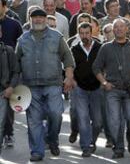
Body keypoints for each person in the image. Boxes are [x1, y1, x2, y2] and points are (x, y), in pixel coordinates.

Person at [15, 8, 75, 162]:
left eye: (41, 17)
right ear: (30, 20)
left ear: (46, 19)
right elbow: (16, 65)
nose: (38, 20)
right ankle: (37, 151)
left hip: (53, 84)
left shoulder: (56, 36)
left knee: (55, 113)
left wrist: (68, 77)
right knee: (34, 120)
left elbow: (67, 57)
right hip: (30, 86)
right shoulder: (23, 39)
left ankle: (52, 139)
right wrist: (15, 86)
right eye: (35, 18)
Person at [93, 18, 130, 159]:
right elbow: (96, 68)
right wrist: (104, 83)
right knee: (114, 121)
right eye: (116, 27)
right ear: (113, 30)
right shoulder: (106, 48)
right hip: (113, 90)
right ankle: (118, 148)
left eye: (122, 27)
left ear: (127, 29)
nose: (119, 29)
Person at [70, 22, 102, 157]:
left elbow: (106, 65)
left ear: (92, 33)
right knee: (83, 118)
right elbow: (68, 67)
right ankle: (86, 146)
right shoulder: (74, 50)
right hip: (80, 88)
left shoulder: (100, 48)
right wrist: (72, 81)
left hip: (97, 88)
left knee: (98, 121)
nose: (85, 36)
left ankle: (92, 141)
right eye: (82, 33)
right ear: (78, 34)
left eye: (87, 33)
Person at [0, 40, 18, 156]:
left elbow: (16, 71)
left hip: (3, 93)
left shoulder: (8, 51)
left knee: (0, 124)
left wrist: (11, 87)